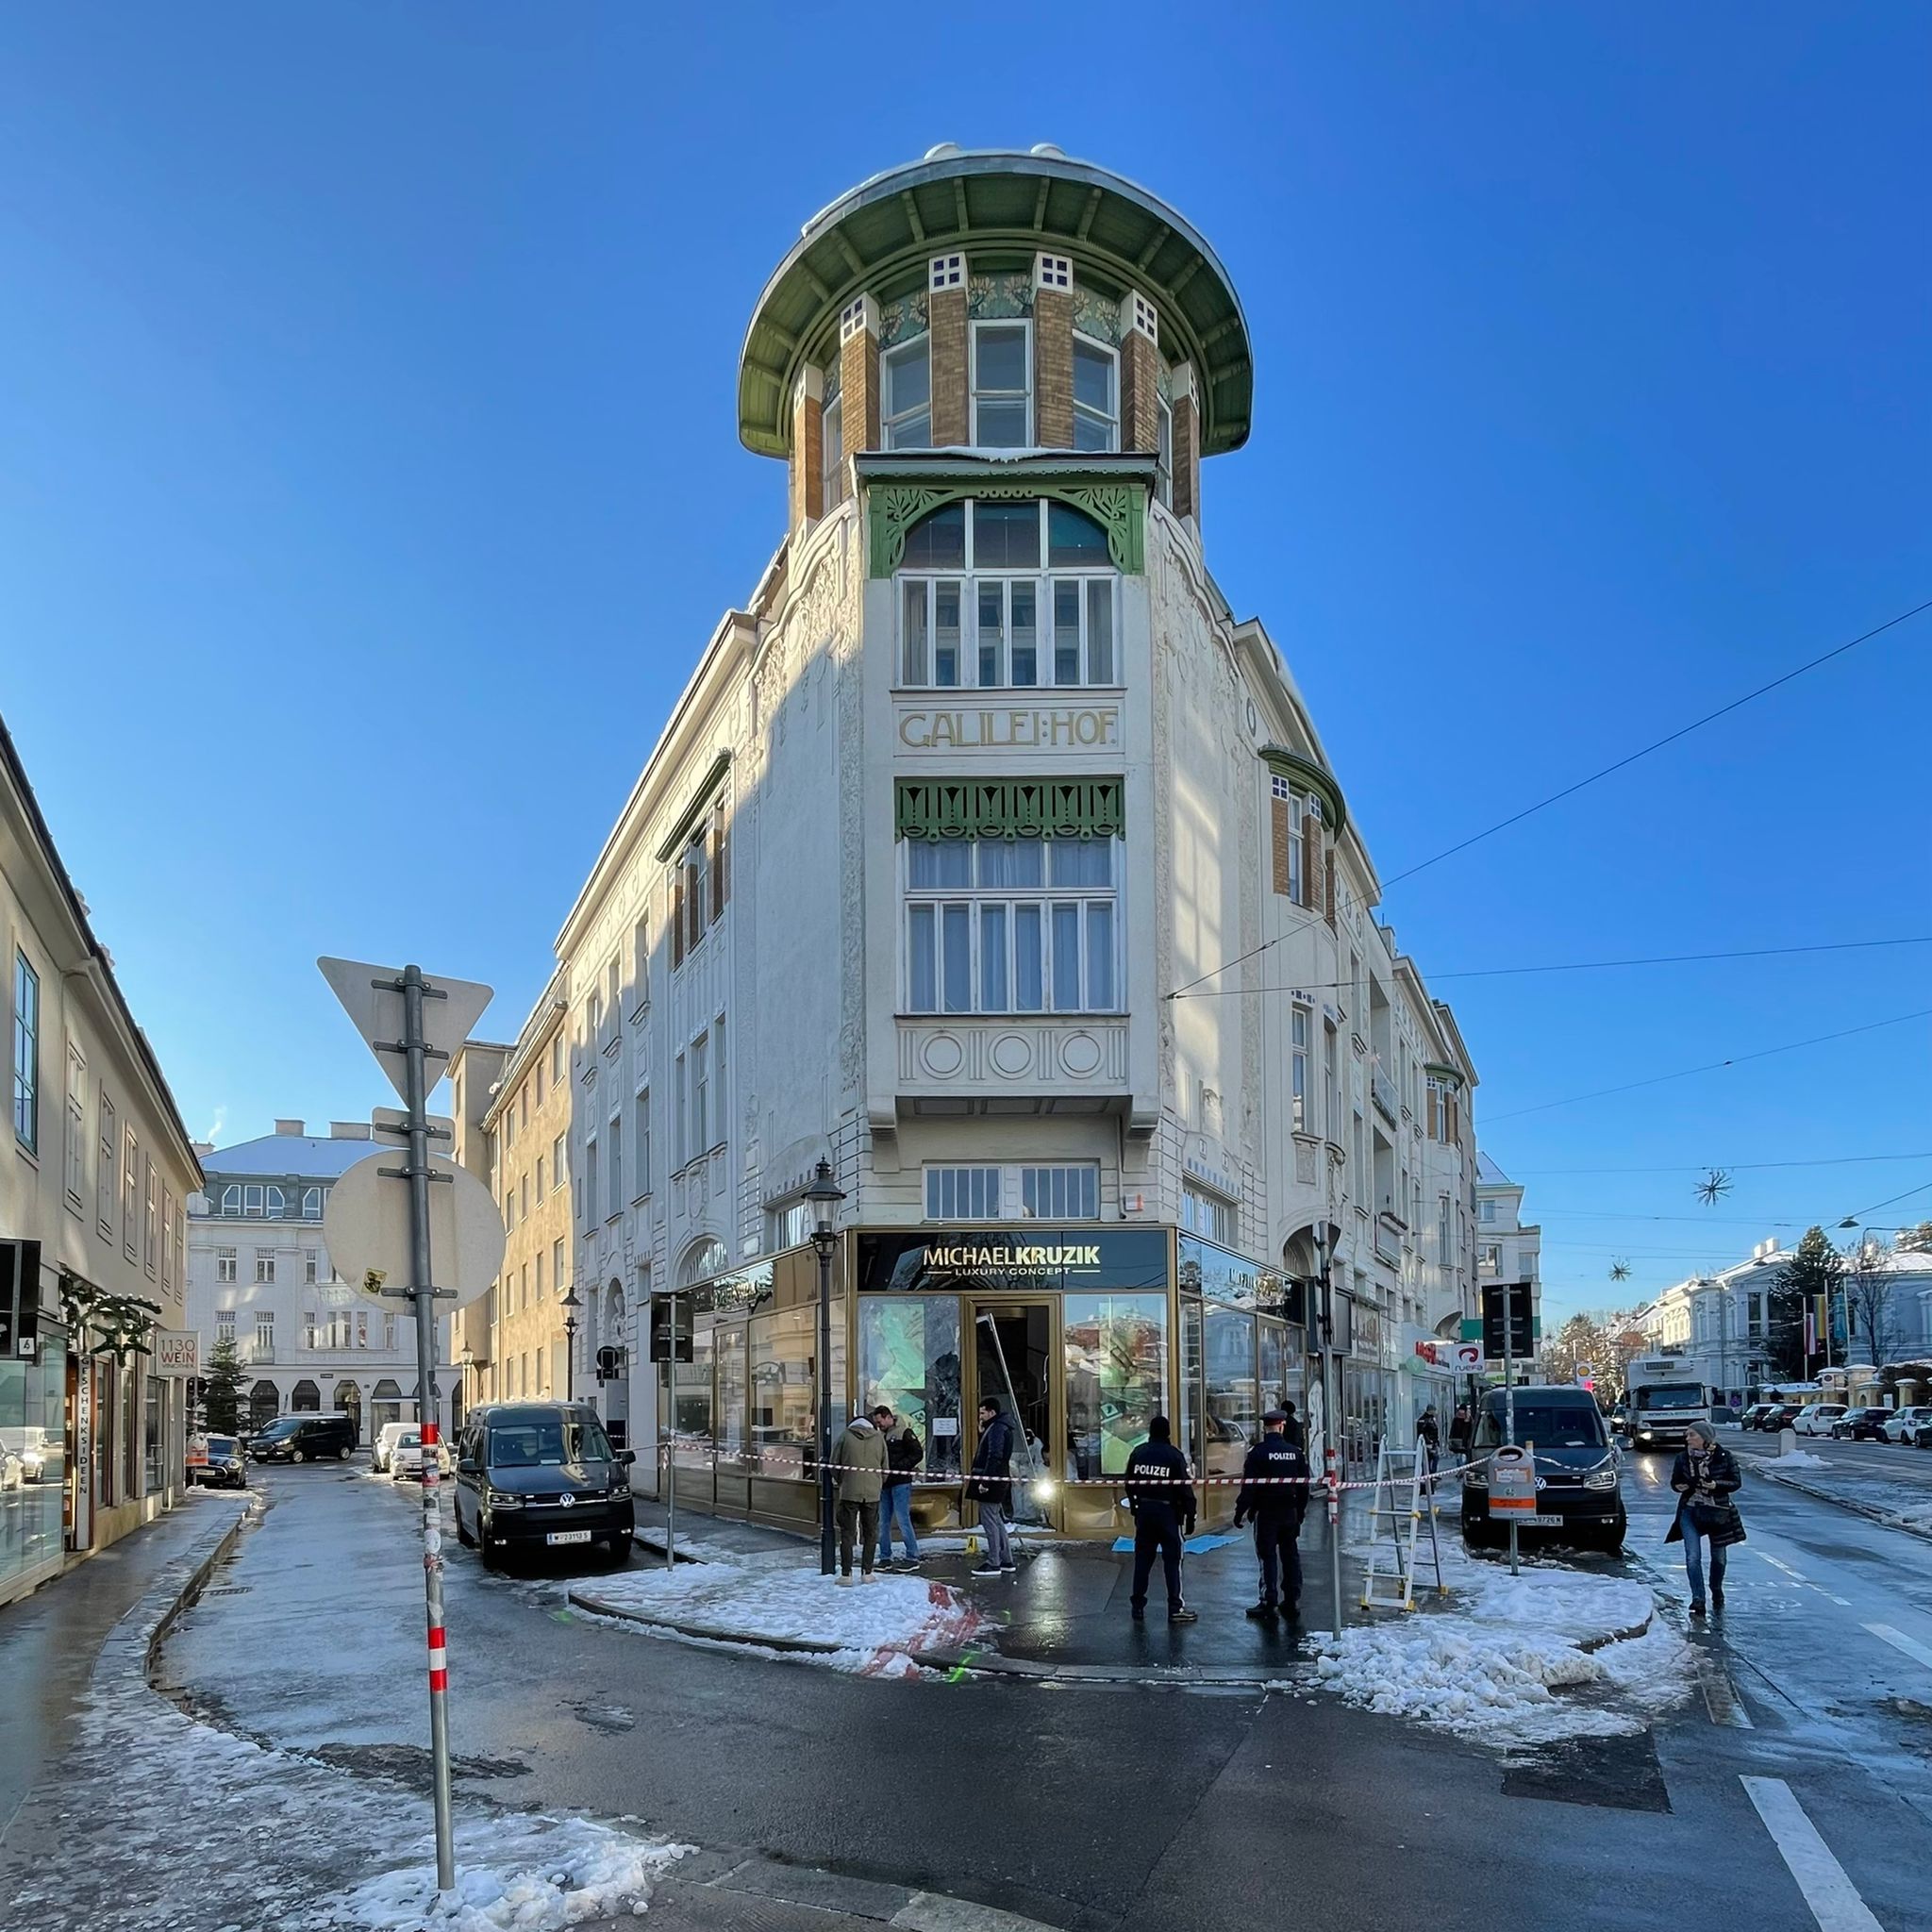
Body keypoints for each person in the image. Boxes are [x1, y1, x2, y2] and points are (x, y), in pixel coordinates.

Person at [1233, 1407, 1309, 1620]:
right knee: (1290, 1554)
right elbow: (1304, 1486)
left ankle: (1269, 1600)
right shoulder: (1295, 1453)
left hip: (1266, 1513)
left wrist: (1240, 1512)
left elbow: (1249, 1487)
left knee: (1267, 1556)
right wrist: (1300, 1512)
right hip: (1289, 1510)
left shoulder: (1257, 1453)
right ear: (1282, 1426)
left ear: (1265, 1428)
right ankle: (1292, 1598)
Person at [1124, 1414, 1198, 1623]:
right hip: (1168, 1514)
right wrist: (1191, 1515)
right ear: (1167, 1433)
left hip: (1145, 1513)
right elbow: (1184, 1488)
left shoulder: (1138, 1453)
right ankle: (1175, 1607)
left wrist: (1136, 1507)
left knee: (1142, 1561)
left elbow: (1129, 1483)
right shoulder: (1173, 1456)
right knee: (1173, 1561)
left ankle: (1137, 1606)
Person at [1667, 1420, 1743, 1616]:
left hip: (1717, 1511)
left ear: (1704, 1437)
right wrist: (1679, 1487)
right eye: (1687, 1435)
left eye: (1692, 1435)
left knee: (1718, 1558)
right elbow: (1675, 1482)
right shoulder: (1683, 1458)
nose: (1687, 1438)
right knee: (1693, 1557)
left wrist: (1715, 1485)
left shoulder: (1724, 1457)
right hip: (1690, 1510)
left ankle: (1716, 1589)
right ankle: (1698, 1599)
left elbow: (1735, 1482)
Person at [831, 1408, 887, 1585]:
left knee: (847, 1533)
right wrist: (878, 1483)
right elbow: (886, 1466)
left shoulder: (845, 1436)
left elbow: (834, 1463)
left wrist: (843, 1481)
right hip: (872, 1493)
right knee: (870, 1533)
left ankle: (846, 1574)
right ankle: (867, 1572)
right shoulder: (879, 1438)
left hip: (849, 1491)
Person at [967, 1398, 1016, 1577]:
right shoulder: (1000, 1427)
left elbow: (994, 1455)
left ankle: (993, 1562)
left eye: (982, 1413)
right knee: (996, 1520)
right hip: (998, 1478)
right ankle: (1006, 1560)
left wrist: (985, 1481)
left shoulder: (996, 1428)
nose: (980, 1417)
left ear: (991, 1413)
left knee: (990, 1521)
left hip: (992, 1480)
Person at [874, 1405, 924, 1570]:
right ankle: (885, 1556)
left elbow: (917, 1453)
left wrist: (901, 1467)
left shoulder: (904, 1432)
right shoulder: (880, 1435)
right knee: (883, 1522)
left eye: (880, 1421)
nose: (879, 1425)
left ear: (888, 1417)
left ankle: (912, 1556)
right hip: (885, 1482)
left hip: (901, 1482)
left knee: (903, 1520)